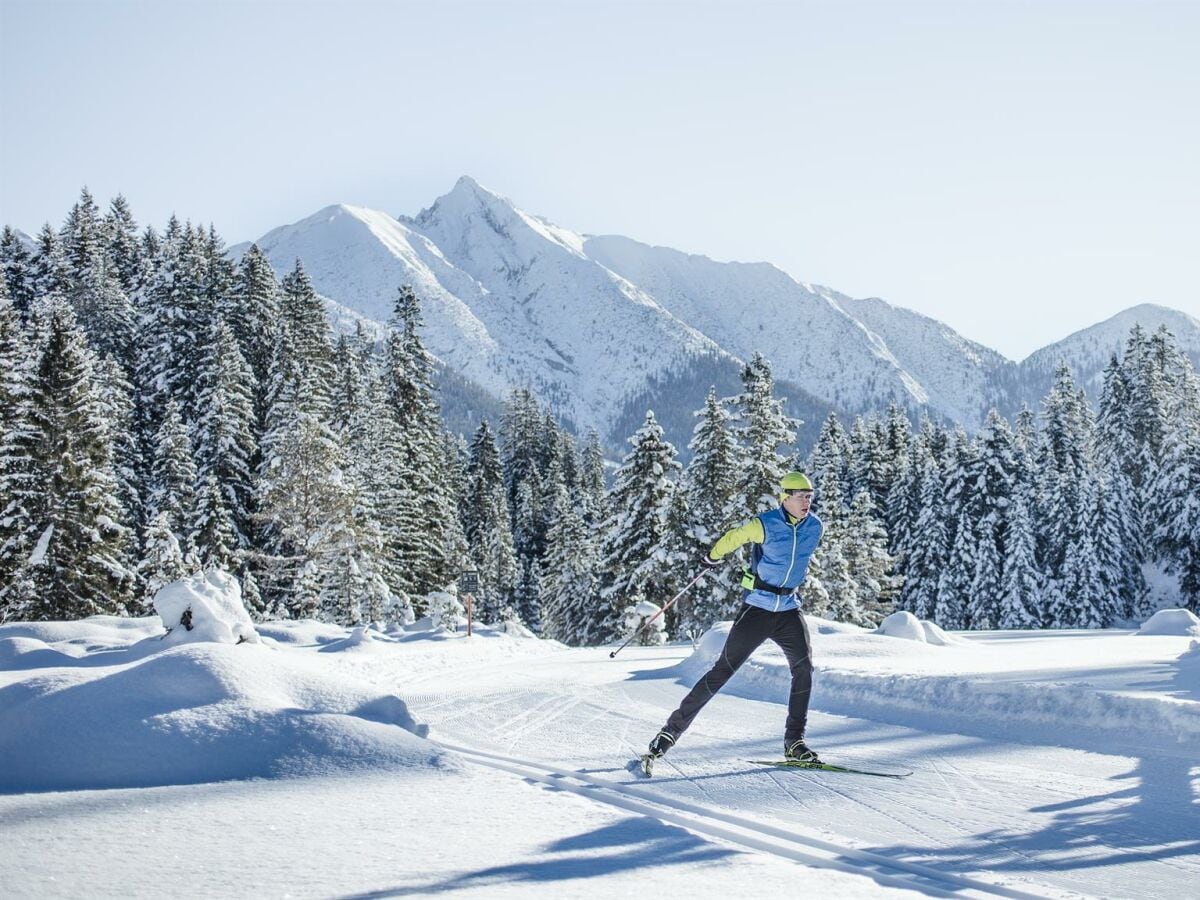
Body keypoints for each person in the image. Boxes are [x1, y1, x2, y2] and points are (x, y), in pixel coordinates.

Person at [646, 472, 824, 764]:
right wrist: (712, 557)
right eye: (801, 495)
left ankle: (795, 742)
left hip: (789, 609)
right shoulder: (765, 524)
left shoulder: (815, 527)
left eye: (810, 496)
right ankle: (669, 733)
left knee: (803, 669)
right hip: (757, 609)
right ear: (785, 497)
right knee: (721, 672)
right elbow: (734, 537)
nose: (807, 501)